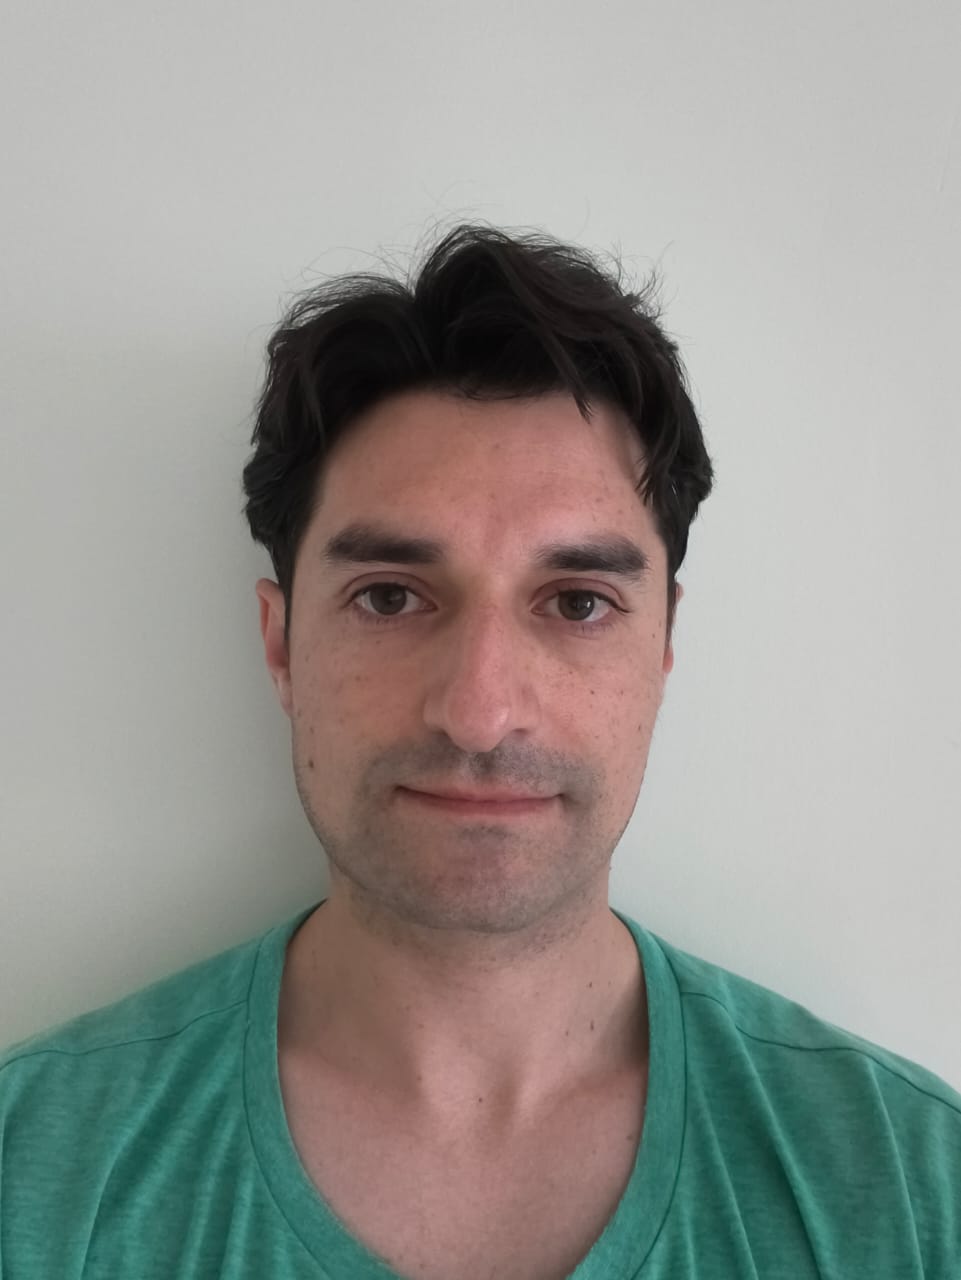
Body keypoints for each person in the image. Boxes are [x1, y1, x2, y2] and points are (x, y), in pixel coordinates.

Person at [1, 223, 959, 1279]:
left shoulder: (918, 1192)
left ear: (663, 645)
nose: (480, 712)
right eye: (390, 596)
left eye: (577, 602)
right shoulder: (31, 1172)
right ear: (280, 645)